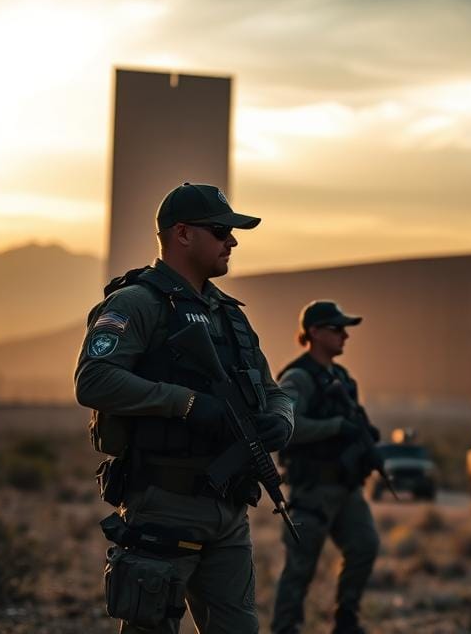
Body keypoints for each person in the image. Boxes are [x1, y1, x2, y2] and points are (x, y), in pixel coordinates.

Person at [75, 182, 294, 633]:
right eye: (221, 230)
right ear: (182, 233)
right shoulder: (137, 303)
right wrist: (188, 404)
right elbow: (94, 379)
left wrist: (281, 420)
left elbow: (274, 388)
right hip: (164, 503)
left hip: (228, 511)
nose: (232, 241)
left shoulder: (229, 315)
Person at [271, 300, 382, 634]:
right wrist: (335, 427)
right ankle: (285, 628)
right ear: (314, 333)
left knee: (364, 546)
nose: (345, 335)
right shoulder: (298, 378)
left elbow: (354, 423)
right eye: (336, 328)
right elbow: (285, 426)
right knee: (300, 567)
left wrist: (366, 442)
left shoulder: (342, 378)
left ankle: (346, 619)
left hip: (346, 487)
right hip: (312, 489)